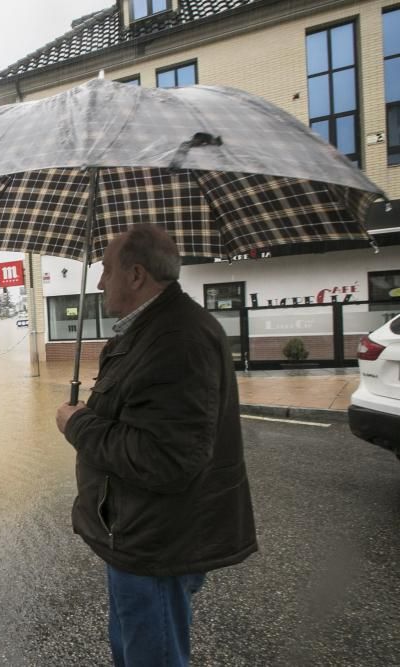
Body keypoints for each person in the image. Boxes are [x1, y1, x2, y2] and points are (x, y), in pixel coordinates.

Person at [55, 224, 257, 667]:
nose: (101, 281)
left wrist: (78, 423)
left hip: (157, 544)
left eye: (106, 269)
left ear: (137, 275)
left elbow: (166, 459)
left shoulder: (177, 340)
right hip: (134, 532)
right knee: (130, 652)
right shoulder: (148, 331)